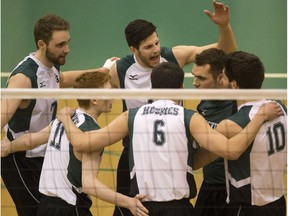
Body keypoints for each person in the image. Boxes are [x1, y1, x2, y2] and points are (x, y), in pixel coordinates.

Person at [56, 62, 282, 216]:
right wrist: (259, 117)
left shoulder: (130, 117)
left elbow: (82, 143)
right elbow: (232, 151)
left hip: (143, 208)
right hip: (179, 210)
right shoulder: (189, 118)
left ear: (152, 86)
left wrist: (67, 119)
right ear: (180, 86)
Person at [109, 1, 237, 214]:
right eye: (149, 47)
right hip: (134, 153)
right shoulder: (119, 69)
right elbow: (81, 79)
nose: (156, 50)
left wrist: (224, 27)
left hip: (174, 151)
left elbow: (225, 53)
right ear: (134, 49)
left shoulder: (173, 56)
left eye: (157, 43)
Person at [0, 14, 115, 216]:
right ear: (42, 44)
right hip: (20, 159)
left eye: (68, 43)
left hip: (43, 154)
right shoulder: (24, 79)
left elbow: (62, 79)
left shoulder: (52, 66)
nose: (67, 49)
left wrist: (100, 70)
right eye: (60, 45)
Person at [1, 72, 149, 216]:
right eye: (110, 92)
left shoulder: (61, 120)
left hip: (45, 206)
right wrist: (127, 202)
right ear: (95, 100)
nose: (114, 97)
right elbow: (89, 184)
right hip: (70, 208)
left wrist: (9, 147)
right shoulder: (91, 133)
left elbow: (30, 141)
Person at [216, 51, 287, 216]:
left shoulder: (231, 125)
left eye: (224, 77)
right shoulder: (279, 106)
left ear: (234, 85)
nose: (221, 81)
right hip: (278, 204)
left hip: (248, 207)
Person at [191, 48, 237, 216]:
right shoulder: (204, 103)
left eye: (201, 78)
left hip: (233, 188)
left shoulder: (238, 104)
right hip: (210, 184)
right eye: (194, 76)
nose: (195, 83)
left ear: (220, 78)